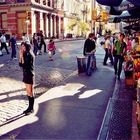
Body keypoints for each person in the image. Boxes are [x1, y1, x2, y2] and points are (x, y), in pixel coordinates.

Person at [19, 42, 35, 115]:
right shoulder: (25, 54)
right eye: (22, 47)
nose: (22, 48)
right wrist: (21, 56)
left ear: (27, 47)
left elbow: (24, 65)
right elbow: (20, 64)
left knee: (30, 92)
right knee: (28, 92)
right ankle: (29, 107)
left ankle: (31, 108)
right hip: (25, 74)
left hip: (29, 75)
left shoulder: (29, 55)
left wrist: (22, 56)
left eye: (24, 47)